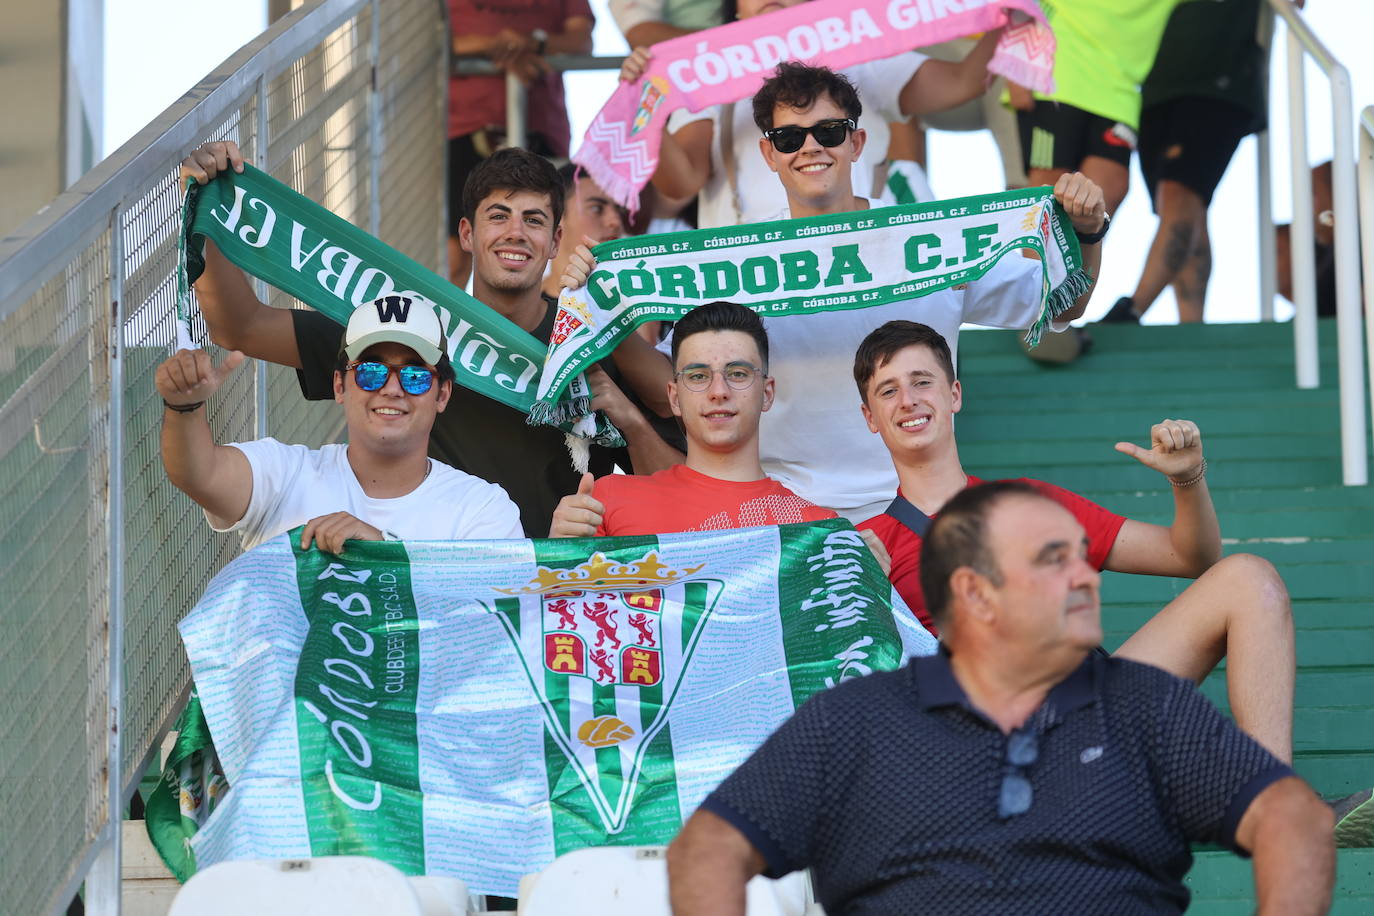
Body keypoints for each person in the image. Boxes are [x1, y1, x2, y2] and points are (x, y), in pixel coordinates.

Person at [667, 481, 1336, 915]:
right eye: (1054, 561)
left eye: (1083, 555)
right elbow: (708, 847)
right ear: (976, 595)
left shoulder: (1144, 708)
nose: (1088, 576)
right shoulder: (858, 720)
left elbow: (1291, 817)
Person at [562, 63, 1108, 524]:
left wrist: (1087, 234)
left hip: (918, 511)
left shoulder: (933, 241)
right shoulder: (733, 261)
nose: (809, 147)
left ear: (857, 142)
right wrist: (600, 313)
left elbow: (1065, 303)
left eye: (828, 131)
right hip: (780, 515)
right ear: (769, 155)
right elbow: (671, 391)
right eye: (789, 137)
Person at [180, 141, 680, 538]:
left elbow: (674, 400)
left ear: (554, 241)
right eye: (498, 216)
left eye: (534, 220)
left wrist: (606, 318)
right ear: (467, 233)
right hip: (434, 586)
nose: (515, 233)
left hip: (554, 591)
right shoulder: (405, 329)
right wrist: (208, 211)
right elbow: (240, 327)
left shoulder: (583, 340)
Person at [852, 320, 1299, 761]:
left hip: (1094, 712)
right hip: (996, 752)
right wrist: (874, 597)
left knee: (1247, 578)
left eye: (922, 382)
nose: (908, 401)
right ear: (870, 417)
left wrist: (1188, 480)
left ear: (954, 395)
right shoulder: (860, 550)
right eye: (888, 391)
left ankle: (1274, 807)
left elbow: (1190, 556)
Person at [157, 295, 523, 551]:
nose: (392, 389)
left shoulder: (483, 509)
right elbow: (199, 474)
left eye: (414, 375)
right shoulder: (286, 475)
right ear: (339, 385)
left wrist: (381, 554)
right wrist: (183, 407)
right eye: (370, 371)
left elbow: (492, 630)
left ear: (442, 394)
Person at [619, 0, 1003, 228]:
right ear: (735, 6)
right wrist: (648, 105)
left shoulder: (860, 56)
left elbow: (963, 81)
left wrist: (1009, 15)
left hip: (857, 262)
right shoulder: (706, 74)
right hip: (750, 286)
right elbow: (680, 184)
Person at [548, 302, 836, 537]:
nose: (719, 391)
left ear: (767, 393)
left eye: (737, 373)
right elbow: (560, 605)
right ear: (674, 397)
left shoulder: (816, 529)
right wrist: (560, 553)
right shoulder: (606, 499)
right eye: (698, 376)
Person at [1102, 0, 1268, 324]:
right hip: (1151, 89)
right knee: (1184, 208)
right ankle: (1192, 325)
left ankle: (1133, 309)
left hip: (1216, 82)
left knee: (1180, 195)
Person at [446, 0, 594, 288]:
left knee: (540, 243)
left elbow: (582, 40)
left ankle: (537, 332)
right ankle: (445, 331)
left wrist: (530, 43)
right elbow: (429, 40)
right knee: (456, 256)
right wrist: (503, 47)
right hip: (463, 129)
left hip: (542, 132)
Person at [1011, 0, 1180, 223]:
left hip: (1119, 94)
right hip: (1057, 75)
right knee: (1046, 191)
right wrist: (1015, 69)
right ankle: (1037, 258)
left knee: (1108, 189)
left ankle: (1076, 258)